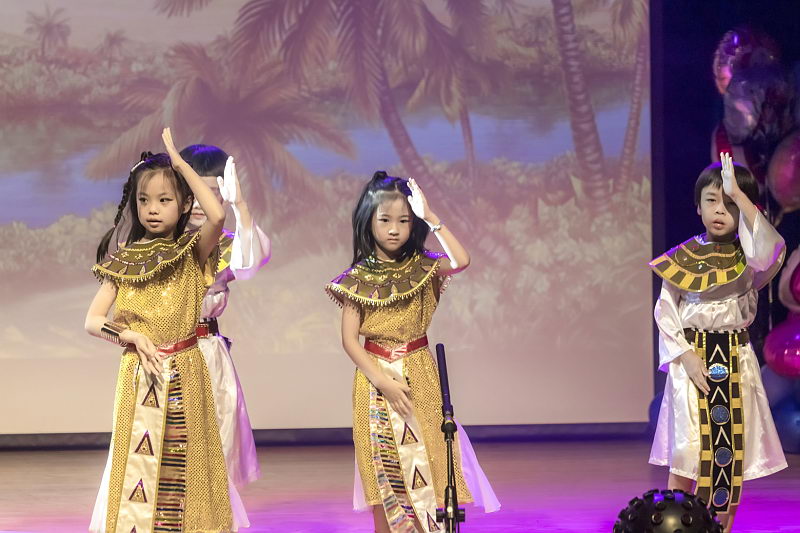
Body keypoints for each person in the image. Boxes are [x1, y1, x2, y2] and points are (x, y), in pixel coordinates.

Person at [86, 128, 247, 532]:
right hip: (140, 374)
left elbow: (218, 216)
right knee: (138, 469)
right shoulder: (124, 260)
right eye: (144, 200)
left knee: (188, 466)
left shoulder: (192, 252)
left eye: (164, 199)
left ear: (184, 203)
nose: (152, 209)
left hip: (187, 372)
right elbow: (93, 320)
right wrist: (129, 336)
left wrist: (180, 164)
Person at [325, 171, 499, 533]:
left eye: (404, 221)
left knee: (432, 461)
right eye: (385, 220)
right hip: (375, 383)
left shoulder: (425, 267)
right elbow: (349, 340)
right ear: (368, 221)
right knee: (383, 471)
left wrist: (432, 217)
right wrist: (383, 382)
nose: (394, 229)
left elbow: (461, 260)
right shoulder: (357, 278)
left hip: (420, 374)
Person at [649, 153, 787, 531]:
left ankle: (719, 528)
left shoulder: (750, 257)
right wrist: (685, 356)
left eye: (730, 203)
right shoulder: (682, 258)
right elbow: (666, 313)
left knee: (729, 457)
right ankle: (674, 526)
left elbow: (771, 250)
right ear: (698, 207)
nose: (720, 209)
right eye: (712, 200)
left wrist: (739, 195)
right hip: (691, 363)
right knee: (686, 452)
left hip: (735, 360)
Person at [180, 143, 271, 490]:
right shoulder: (161, 245)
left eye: (213, 192)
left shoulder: (228, 244)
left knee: (219, 446)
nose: (201, 202)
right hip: (168, 355)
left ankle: (217, 512)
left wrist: (239, 205)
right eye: (194, 191)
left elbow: (250, 263)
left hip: (209, 355)